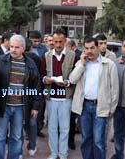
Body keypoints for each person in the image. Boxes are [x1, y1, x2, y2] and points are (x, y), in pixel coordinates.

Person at [0, 35, 41, 159]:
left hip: (20, 107)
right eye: (11, 46)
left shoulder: (30, 64)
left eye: (17, 47)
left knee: (17, 137)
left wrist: (35, 106)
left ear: (23, 48)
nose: (13, 50)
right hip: (3, 106)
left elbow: (36, 87)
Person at [70, 37, 119, 159]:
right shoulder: (81, 63)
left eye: (92, 48)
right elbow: (72, 80)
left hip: (100, 106)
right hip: (85, 106)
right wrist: (81, 63)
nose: (89, 51)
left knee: (98, 141)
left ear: (98, 48)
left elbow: (115, 89)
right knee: (86, 139)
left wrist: (111, 108)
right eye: (86, 48)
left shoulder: (109, 64)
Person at [40, 29, 76, 159]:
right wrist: (46, 79)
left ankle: (63, 153)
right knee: (52, 127)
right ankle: (54, 152)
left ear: (65, 41)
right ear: (52, 41)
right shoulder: (46, 56)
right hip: (51, 97)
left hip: (66, 97)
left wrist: (67, 83)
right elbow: (41, 74)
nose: (58, 44)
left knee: (65, 128)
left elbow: (76, 76)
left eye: (61, 41)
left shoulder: (72, 56)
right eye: (56, 41)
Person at [24, 38, 41, 156]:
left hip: (27, 98)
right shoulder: (37, 58)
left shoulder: (33, 60)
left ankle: (21, 150)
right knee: (32, 123)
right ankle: (32, 146)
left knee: (20, 125)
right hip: (32, 97)